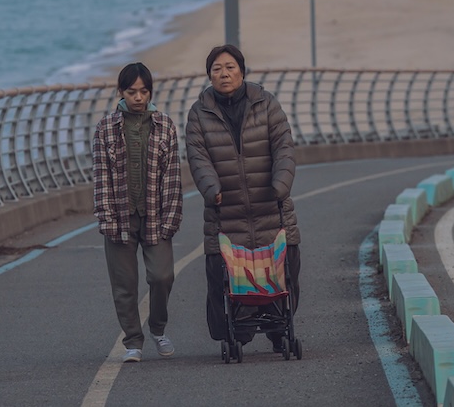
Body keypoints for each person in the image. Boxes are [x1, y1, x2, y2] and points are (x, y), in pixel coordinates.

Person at [185, 44, 301, 351]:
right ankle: (237, 331)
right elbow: (197, 157)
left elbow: (284, 147)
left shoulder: (266, 104)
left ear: (242, 71)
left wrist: (281, 183)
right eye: (216, 70)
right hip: (226, 213)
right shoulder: (199, 113)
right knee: (220, 276)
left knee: (287, 269)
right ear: (209, 76)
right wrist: (212, 190)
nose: (224, 74)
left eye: (230, 67)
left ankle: (279, 330)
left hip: (271, 209)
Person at [92, 62, 182, 363]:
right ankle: (133, 341)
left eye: (144, 91)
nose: (138, 97)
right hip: (119, 217)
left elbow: (172, 175)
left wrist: (171, 217)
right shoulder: (105, 128)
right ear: (121, 92)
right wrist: (106, 217)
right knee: (124, 284)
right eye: (132, 91)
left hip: (157, 216)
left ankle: (158, 328)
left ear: (151, 93)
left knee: (162, 276)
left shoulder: (165, 125)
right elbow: (101, 175)